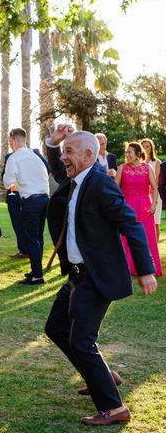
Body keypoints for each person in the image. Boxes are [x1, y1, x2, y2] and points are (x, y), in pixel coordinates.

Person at [44, 124, 158, 426]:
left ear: (89, 154)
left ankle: (113, 407)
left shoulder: (99, 183)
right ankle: (103, 376)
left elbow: (131, 224)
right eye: (63, 151)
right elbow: (57, 168)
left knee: (81, 341)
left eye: (69, 151)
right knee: (56, 326)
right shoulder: (75, 179)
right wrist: (54, 143)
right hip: (77, 276)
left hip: (96, 277)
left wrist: (145, 270)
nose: (63, 157)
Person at [3, 128, 49, 285]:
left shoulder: (14, 158)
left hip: (30, 200)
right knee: (38, 237)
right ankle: (36, 271)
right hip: (44, 198)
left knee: (31, 238)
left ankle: (37, 276)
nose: (10, 144)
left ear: (14, 140)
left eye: (10, 141)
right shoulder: (36, 156)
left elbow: (8, 182)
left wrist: (17, 186)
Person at [114, 142, 162, 277]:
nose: (127, 155)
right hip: (127, 205)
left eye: (130, 152)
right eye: (126, 152)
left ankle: (149, 266)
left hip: (145, 205)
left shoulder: (148, 168)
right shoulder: (122, 168)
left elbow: (154, 187)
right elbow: (115, 188)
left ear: (137, 154)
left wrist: (154, 204)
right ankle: (126, 266)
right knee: (126, 236)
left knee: (147, 235)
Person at [1, 148, 50, 259]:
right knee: (19, 226)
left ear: (13, 140)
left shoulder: (36, 153)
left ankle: (36, 272)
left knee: (34, 235)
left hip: (30, 198)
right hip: (17, 196)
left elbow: (48, 169)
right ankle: (25, 252)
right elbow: (6, 177)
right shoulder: (10, 156)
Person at [140, 138, 161, 240]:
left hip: (153, 195)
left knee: (155, 223)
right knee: (143, 223)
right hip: (141, 196)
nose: (145, 148)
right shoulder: (137, 163)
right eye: (143, 146)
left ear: (151, 148)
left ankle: (155, 248)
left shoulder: (156, 162)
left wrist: (153, 200)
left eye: (147, 146)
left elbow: (155, 183)